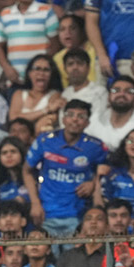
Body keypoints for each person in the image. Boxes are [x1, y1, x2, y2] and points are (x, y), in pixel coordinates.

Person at [24, 99, 108, 237]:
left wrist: (94, 183)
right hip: (46, 213)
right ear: (63, 119)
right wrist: (35, 203)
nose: (75, 119)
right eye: (70, 114)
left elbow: (108, 170)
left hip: (79, 214)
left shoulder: (95, 146)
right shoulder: (45, 141)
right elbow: (26, 170)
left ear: (87, 123)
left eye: (81, 116)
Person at [0, 0, 60, 85]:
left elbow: (55, 44)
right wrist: (6, 68)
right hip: (15, 79)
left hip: (41, 80)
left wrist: (42, 68)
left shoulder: (47, 11)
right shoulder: (5, 14)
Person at [86, 76, 134, 151]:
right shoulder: (95, 119)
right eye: (116, 90)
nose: (121, 94)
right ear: (108, 96)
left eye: (129, 91)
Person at [8, 54, 65, 133]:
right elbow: (13, 118)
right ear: (29, 73)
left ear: (52, 75)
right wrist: (45, 110)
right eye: (37, 69)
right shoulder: (19, 94)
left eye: (46, 70)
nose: (41, 73)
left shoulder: (55, 95)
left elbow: (42, 126)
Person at [59, 48, 107, 123]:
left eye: (80, 63)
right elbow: (62, 122)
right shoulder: (65, 93)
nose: (75, 67)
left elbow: (97, 123)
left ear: (88, 68)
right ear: (65, 69)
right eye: (70, 64)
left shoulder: (100, 92)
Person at [0, 137, 31, 207]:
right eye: (4, 153)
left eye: (13, 151)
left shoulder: (33, 177)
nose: (9, 155)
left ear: (22, 154)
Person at [53, 14, 101, 86]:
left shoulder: (95, 49)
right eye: (62, 29)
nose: (67, 32)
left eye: (72, 28)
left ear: (82, 31)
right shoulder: (57, 58)